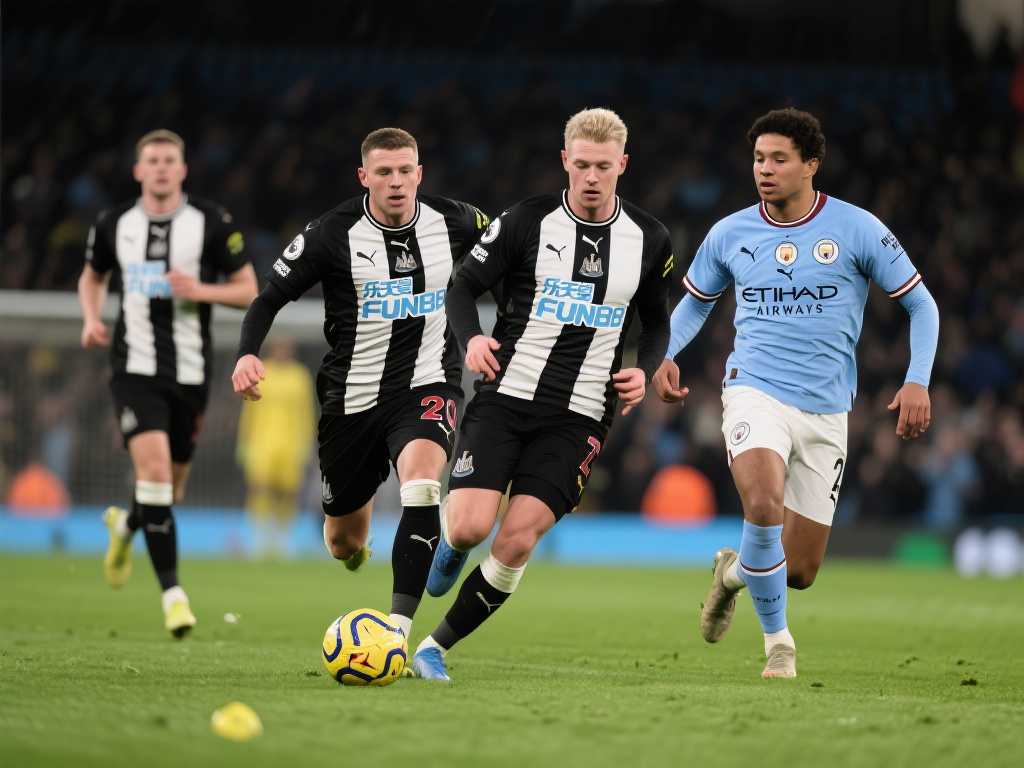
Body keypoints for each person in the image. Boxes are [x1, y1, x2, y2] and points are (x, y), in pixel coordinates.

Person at [652, 108, 940, 678]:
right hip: (753, 391)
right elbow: (694, 304)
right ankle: (778, 646)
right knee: (762, 505)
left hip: (827, 409)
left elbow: (921, 304)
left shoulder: (858, 228)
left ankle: (733, 574)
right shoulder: (730, 233)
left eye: (779, 159)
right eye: (759, 158)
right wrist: (664, 352)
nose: (765, 169)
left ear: (811, 165)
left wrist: (918, 380)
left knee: (799, 569)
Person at [411, 107, 674, 681]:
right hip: (505, 399)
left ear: (623, 165)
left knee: (516, 540)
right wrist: (472, 338)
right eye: (581, 164)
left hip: (580, 417)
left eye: (603, 166)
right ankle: (453, 543)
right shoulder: (526, 221)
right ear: (565, 161)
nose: (592, 176)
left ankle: (433, 648)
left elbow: (657, 322)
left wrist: (646, 369)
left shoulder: (649, 238)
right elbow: (461, 288)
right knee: (470, 527)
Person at [231, 128, 490, 642]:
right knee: (343, 543)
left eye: (405, 171)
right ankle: (362, 545)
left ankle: (397, 633)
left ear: (419, 173)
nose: (396, 182)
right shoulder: (331, 233)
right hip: (352, 400)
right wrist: (246, 353)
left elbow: (514, 252)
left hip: (429, 383)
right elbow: (267, 299)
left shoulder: (456, 221)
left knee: (422, 483)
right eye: (384, 172)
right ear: (364, 176)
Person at [79, 129, 258, 638]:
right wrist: (91, 316)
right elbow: (92, 275)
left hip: (191, 372)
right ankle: (174, 597)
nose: (160, 168)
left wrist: (199, 289)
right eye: (152, 160)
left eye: (169, 160)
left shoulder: (211, 222)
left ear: (182, 170)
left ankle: (126, 525)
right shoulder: (114, 223)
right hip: (133, 370)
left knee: (168, 490)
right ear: (139, 170)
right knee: (155, 473)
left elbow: (249, 290)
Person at [235, 336, 316, 557]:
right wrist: (244, 440)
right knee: (261, 487)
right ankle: (261, 535)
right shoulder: (261, 372)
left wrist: (307, 442)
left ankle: (283, 537)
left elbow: (306, 411)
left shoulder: (300, 375)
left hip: (292, 441)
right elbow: (249, 408)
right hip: (262, 440)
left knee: (288, 491)